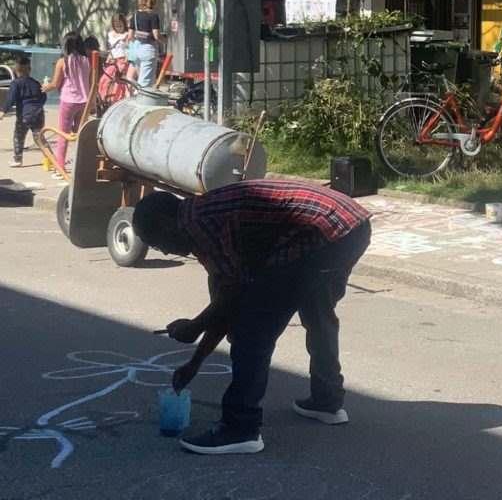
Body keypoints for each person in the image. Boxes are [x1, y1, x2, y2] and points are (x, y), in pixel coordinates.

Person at [131, 179, 373, 456]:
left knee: (253, 330)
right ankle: (327, 400)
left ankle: (241, 429)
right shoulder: (202, 217)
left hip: (325, 232)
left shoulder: (202, 224)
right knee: (317, 311)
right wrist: (195, 362)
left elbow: (233, 298)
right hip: (349, 224)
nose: (164, 251)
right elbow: (226, 303)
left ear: (166, 224)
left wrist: (195, 326)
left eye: (157, 243)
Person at [41, 32, 92, 177]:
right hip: (84, 101)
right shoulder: (86, 60)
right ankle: (81, 166)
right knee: (80, 135)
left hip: (68, 101)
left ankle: (60, 167)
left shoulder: (62, 61)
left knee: (63, 135)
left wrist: (45, 87)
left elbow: (55, 83)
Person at [0, 56, 47, 168]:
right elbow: (43, 96)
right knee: (39, 137)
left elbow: (11, 99)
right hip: (38, 113)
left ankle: (18, 160)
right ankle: (51, 158)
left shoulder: (16, 83)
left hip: (24, 115)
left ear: (16, 70)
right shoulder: (35, 83)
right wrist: (38, 106)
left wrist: (3, 111)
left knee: (18, 137)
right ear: (29, 69)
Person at [129, 0, 162, 88]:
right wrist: (164, 40)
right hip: (148, 49)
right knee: (145, 83)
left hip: (137, 49)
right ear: (152, 1)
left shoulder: (135, 15)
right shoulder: (153, 15)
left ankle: (136, 94)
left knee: (140, 79)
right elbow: (156, 36)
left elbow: (130, 36)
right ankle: (139, 96)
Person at [99, 13, 131, 107]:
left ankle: (117, 100)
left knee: (119, 82)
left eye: (120, 25)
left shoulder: (127, 34)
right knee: (105, 79)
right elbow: (110, 49)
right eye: (116, 25)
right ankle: (105, 99)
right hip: (112, 60)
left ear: (124, 23)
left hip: (122, 61)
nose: (118, 27)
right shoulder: (110, 34)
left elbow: (129, 49)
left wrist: (126, 60)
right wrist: (109, 56)